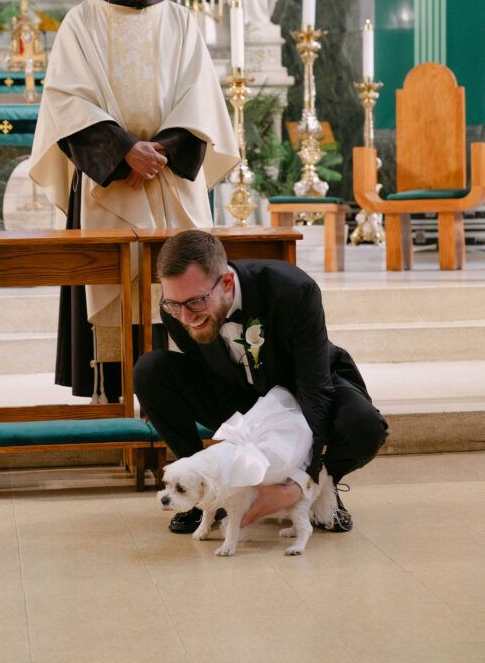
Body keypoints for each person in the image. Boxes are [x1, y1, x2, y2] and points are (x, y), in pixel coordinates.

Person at [28, 0, 239, 401]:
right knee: (114, 294)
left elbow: (199, 98)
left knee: (184, 286)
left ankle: (188, 404)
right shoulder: (82, 21)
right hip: (110, 188)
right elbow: (67, 103)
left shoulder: (181, 21)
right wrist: (125, 151)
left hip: (170, 182)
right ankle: (117, 406)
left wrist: (158, 152)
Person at [133, 228, 388, 533]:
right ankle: (201, 493)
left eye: (195, 303)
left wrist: (301, 481)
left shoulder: (294, 290)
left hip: (303, 388)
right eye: (174, 305)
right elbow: (205, 367)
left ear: (226, 282)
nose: (185, 318)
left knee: (364, 425)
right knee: (150, 370)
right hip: (240, 393)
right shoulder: (178, 308)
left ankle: (321, 487)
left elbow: (315, 387)